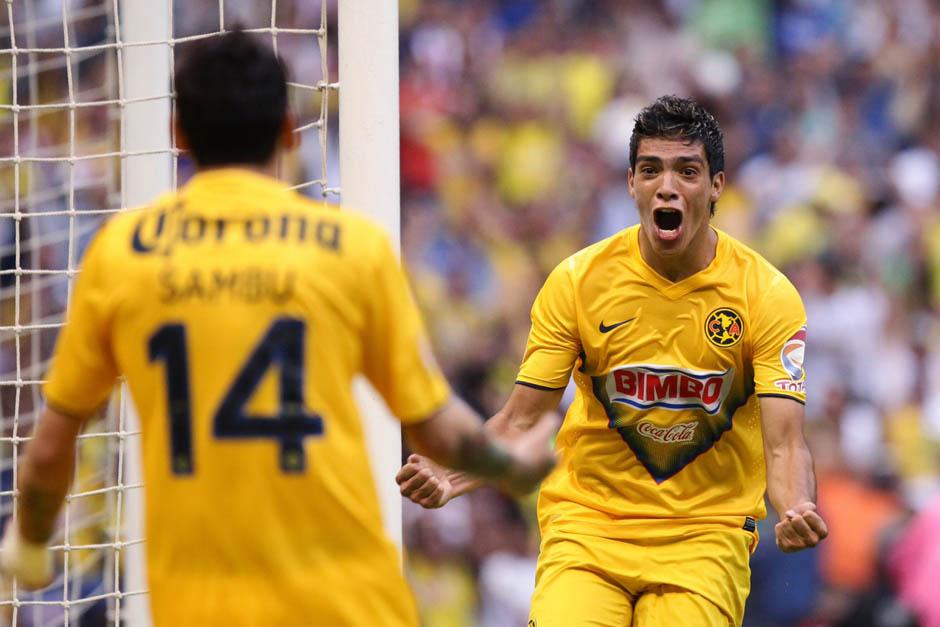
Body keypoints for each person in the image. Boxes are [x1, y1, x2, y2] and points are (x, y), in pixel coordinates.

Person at [0, 30, 558, 627]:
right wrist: (509, 465)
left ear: (178, 135)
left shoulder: (121, 256)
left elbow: (53, 444)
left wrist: (30, 546)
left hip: (200, 609)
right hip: (348, 604)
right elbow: (440, 431)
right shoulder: (350, 249)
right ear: (290, 131)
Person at [397, 95, 829, 626]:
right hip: (588, 527)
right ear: (631, 183)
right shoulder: (578, 282)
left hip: (702, 537)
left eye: (686, 171)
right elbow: (521, 420)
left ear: (716, 185)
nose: (666, 185)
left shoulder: (766, 296)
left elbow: (784, 444)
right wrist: (449, 474)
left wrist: (795, 507)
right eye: (651, 170)